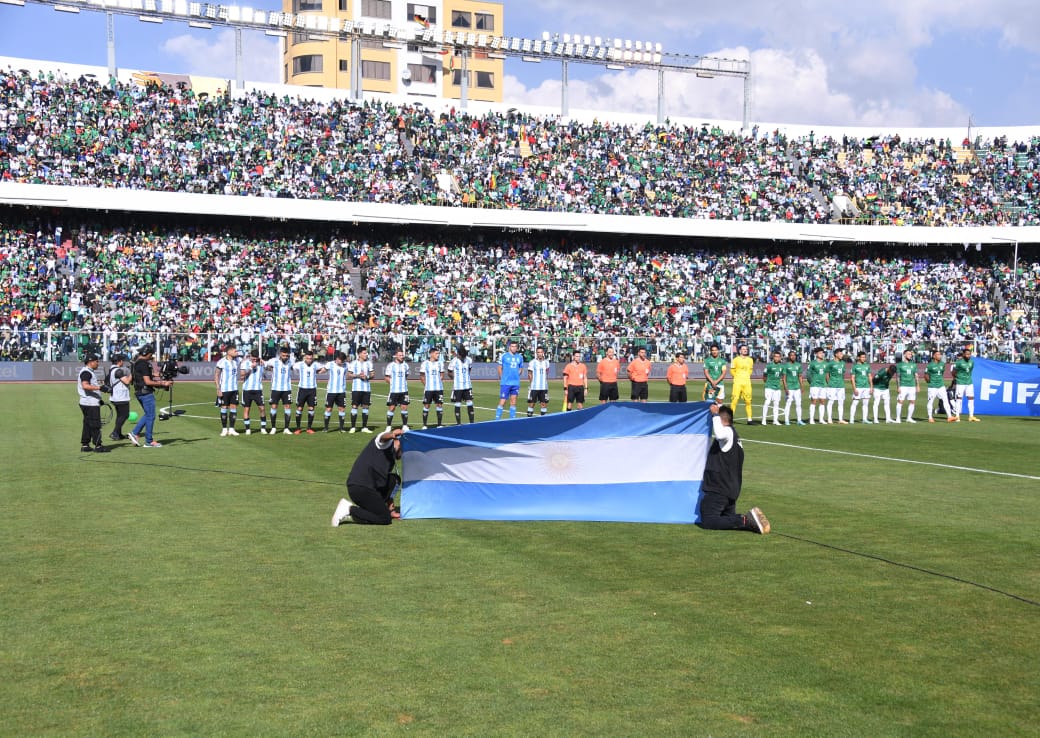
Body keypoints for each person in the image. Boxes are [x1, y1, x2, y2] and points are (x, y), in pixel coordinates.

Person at [697, 403, 770, 534]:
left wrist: (714, 414)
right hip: (731, 491)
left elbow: (719, 434)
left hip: (719, 489)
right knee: (726, 519)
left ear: (722, 419)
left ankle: (743, 520)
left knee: (708, 520)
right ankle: (750, 523)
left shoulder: (728, 433)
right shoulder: (736, 439)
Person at [331, 427, 404, 527]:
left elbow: (390, 486)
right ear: (400, 443)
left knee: (395, 480)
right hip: (360, 487)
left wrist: (390, 508)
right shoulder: (386, 443)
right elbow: (382, 438)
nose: (403, 455)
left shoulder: (392, 457)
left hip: (370, 488)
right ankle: (349, 509)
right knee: (385, 518)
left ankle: (382, 510)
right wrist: (391, 434)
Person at [128, 346, 170, 448]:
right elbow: (147, 381)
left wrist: (158, 375)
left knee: (148, 414)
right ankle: (148, 441)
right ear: (148, 354)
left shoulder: (135, 363)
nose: (151, 357)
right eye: (151, 355)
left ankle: (135, 433)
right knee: (151, 415)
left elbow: (144, 376)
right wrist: (163, 383)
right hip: (145, 392)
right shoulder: (144, 364)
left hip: (139, 392)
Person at [78, 353, 109, 453]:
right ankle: (98, 446)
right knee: (95, 424)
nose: (98, 363)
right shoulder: (86, 372)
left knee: (87, 424)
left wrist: (98, 398)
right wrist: (100, 387)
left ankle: (85, 444)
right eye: (96, 361)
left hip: (87, 402)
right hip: (90, 403)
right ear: (91, 362)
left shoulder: (87, 371)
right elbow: (85, 386)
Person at [294, 349, 325, 434]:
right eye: (307, 358)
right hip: (302, 389)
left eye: (310, 358)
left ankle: (309, 428)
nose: (309, 360)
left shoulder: (315, 365)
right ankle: (298, 428)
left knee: (311, 408)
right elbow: (294, 368)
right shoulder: (299, 364)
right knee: (299, 408)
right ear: (305, 358)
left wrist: (318, 372)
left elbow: (322, 369)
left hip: (312, 389)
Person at [266, 345, 295, 434]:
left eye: (287, 356)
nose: (285, 357)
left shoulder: (291, 362)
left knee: (287, 407)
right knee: (274, 406)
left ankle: (286, 428)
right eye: (283, 355)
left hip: (287, 388)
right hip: (275, 388)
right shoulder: (274, 361)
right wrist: (271, 369)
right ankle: (273, 427)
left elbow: (292, 368)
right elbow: (266, 365)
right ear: (280, 355)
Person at [239, 350, 269, 435]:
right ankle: (248, 429)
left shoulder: (261, 363)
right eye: (253, 359)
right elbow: (241, 376)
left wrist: (265, 364)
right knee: (246, 409)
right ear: (250, 356)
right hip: (247, 390)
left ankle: (263, 428)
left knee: (262, 408)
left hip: (258, 390)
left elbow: (270, 369)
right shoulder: (245, 363)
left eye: (256, 359)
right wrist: (251, 368)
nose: (255, 361)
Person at [214, 345, 241, 436]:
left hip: (234, 389)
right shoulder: (221, 362)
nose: (236, 352)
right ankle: (224, 429)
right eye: (235, 351)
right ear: (229, 352)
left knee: (233, 408)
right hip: (224, 389)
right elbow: (216, 375)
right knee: (224, 407)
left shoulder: (236, 361)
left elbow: (249, 360)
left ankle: (232, 429)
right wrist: (218, 388)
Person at [347, 347, 374, 432]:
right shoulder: (353, 363)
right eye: (364, 353)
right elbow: (349, 374)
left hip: (366, 389)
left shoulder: (369, 363)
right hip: (356, 388)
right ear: (359, 354)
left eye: (366, 353)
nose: (366, 354)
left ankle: (364, 427)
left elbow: (373, 374)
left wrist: (367, 377)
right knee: (354, 406)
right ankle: (353, 427)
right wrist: (358, 375)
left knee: (366, 406)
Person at [106, 353, 132, 441]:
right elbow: (127, 381)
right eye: (122, 361)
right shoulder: (118, 371)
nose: (123, 362)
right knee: (125, 415)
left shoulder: (111, 369)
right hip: (121, 397)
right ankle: (115, 432)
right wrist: (131, 373)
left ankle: (118, 434)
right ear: (119, 361)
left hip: (115, 396)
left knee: (120, 416)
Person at [495, 340, 524, 419]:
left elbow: (521, 367)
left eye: (515, 347)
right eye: (512, 346)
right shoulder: (504, 356)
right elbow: (499, 367)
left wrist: (518, 373)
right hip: (506, 382)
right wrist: (502, 377)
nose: (514, 348)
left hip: (515, 383)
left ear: (517, 348)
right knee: (503, 401)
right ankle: (497, 419)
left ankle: (512, 420)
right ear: (509, 347)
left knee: (513, 402)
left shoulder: (520, 357)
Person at [925, 350, 956, 423]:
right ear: (934, 356)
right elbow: (926, 375)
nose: (940, 356)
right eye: (938, 355)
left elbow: (941, 373)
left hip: (941, 386)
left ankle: (949, 417)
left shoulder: (942, 364)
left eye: (940, 354)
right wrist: (930, 382)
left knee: (945, 400)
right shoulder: (930, 365)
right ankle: (930, 417)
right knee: (930, 401)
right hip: (932, 387)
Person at [447, 345, 475, 424]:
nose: (462, 358)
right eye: (461, 356)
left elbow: (469, 369)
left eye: (464, 356)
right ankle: (458, 423)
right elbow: (449, 371)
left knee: (470, 402)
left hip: (467, 385)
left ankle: (472, 422)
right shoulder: (454, 361)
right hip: (458, 386)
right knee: (458, 403)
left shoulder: (469, 360)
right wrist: (454, 378)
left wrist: (467, 377)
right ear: (458, 355)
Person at [323, 351, 349, 432]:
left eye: (343, 360)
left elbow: (352, 372)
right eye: (341, 360)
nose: (342, 362)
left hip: (341, 391)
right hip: (331, 391)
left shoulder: (346, 365)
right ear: (337, 359)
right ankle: (326, 428)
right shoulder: (330, 364)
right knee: (329, 409)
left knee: (342, 409)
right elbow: (322, 370)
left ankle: (341, 428)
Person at [419, 347, 445, 428]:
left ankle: (439, 424)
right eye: (436, 353)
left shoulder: (440, 363)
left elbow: (442, 375)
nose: (438, 355)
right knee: (427, 405)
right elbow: (422, 377)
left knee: (439, 405)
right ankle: (424, 425)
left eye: (438, 353)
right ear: (431, 354)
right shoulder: (425, 364)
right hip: (428, 389)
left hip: (439, 388)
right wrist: (427, 385)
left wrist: (438, 382)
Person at [385, 348, 411, 430]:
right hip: (394, 391)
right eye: (400, 355)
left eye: (402, 355)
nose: (402, 356)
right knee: (392, 408)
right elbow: (386, 377)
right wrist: (393, 384)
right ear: (396, 356)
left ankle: (404, 425)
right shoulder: (391, 365)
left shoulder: (406, 365)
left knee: (404, 407)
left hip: (404, 390)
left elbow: (406, 375)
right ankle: (389, 426)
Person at [952, 346, 980, 422]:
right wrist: (957, 379)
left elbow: (970, 371)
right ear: (963, 354)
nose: (968, 355)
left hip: (969, 383)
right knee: (959, 399)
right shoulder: (958, 362)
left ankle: (971, 416)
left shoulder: (972, 362)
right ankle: (957, 416)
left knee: (971, 399)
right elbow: (953, 372)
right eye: (967, 354)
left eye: (969, 354)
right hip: (960, 383)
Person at [730, 344, 755, 424]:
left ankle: (749, 419)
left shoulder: (750, 360)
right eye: (743, 349)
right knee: (734, 400)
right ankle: (730, 419)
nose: (745, 350)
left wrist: (746, 376)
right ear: (740, 350)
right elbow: (732, 371)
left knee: (748, 401)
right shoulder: (735, 360)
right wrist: (737, 377)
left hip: (747, 383)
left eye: (746, 349)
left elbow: (750, 370)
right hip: (737, 383)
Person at [894, 350, 919, 423]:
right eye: (908, 354)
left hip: (912, 386)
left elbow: (916, 375)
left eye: (911, 354)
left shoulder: (914, 365)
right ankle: (898, 418)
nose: (910, 355)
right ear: (904, 355)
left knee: (912, 401)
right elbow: (898, 377)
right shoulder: (899, 365)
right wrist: (898, 387)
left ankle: (909, 418)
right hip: (903, 385)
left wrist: (917, 385)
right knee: (900, 401)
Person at [781, 350, 805, 425]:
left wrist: (802, 386)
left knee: (798, 404)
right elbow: (784, 378)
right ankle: (786, 420)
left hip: (797, 387)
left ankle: (799, 420)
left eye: (794, 355)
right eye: (791, 355)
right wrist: (786, 388)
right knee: (788, 404)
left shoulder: (798, 365)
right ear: (789, 356)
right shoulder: (786, 366)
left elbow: (800, 376)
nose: (793, 356)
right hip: (790, 388)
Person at [848, 351, 873, 424]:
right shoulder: (855, 366)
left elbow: (869, 376)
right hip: (858, 387)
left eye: (864, 357)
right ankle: (851, 419)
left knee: (866, 403)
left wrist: (871, 387)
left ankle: (864, 419)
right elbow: (852, 378)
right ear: (858, 357)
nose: (864, 358)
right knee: (855, 403)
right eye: (862, 357)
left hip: (866, 387)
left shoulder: (867, 365)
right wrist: (854, 388)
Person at [526, 346, 551, 417]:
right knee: (532, 404)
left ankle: (543, 421)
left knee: (544, 404)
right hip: (534, 387)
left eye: (541, 352)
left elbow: (547, 372)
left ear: (543, 353)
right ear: (536, 353)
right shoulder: (532, 362)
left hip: (544, 387)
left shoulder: (546, 362)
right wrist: (531, 385)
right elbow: (530, 374)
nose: (540, 354)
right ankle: (529, 419)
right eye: (538, 352)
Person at [825, 347, 848, 424]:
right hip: (832, 385)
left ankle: (840, 419)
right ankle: (829, 418)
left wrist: (841, 382)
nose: (842, 355)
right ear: (836, 354)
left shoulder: (843, 363)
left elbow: (842, 374)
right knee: (831, 401)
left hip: (841, 385)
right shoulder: (830, 363)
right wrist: (829, 383)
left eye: (842, 353)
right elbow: (827, 374)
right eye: (840, 353)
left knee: (841, 402)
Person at [761, 350, 784, 424]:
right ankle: (764, 420)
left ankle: (775, 420)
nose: (777, 358)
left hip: (777, 387)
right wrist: (767, 383)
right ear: (773, 357)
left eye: (778, 357)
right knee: (767, 402)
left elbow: (783, 376)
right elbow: (764, 376)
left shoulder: (782, 366)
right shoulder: (769, 365)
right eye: (775, 357)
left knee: (776, 403)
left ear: (780, 358)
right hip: (769, 387)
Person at [807, 347, 828, 424]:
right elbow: (808, 375)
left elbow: (826, 374)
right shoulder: (812, 363)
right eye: (820, 353)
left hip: (823, 385)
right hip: (815, 385)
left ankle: (821, 419)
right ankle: (811, 419)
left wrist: (827, 383)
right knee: (814, 401)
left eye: (822, 353)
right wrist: (812, 383)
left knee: (822, 401)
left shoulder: (826, 363)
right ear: (816, 354)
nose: (822, 354)